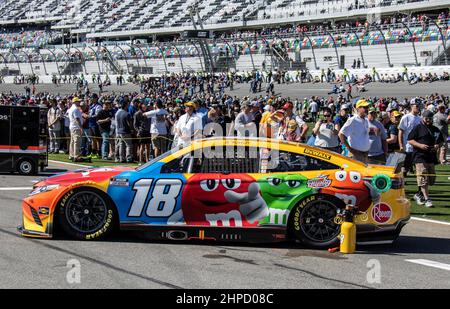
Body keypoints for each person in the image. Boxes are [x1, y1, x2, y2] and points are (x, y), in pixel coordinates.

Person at [408, 110, 444, 208]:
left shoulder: (435, 129)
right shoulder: (417, 128)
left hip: (431, 157)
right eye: (426, 118)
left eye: (430, 119)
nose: (428, 120)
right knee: (423, 177)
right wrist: (420, 145)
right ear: (423, 118)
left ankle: (419, 194)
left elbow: (441, 141)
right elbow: (410, 140)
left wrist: (437, 145)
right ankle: (427, 199)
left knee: (431, 180)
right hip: (420, 156)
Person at [338, 99, 371, 163]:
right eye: (364, 107)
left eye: (367, 107)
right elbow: (341, 134)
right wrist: (351, 150)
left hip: (365, 155)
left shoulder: (366, 120)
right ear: (358, 108)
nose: (367, 109)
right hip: (356, 155)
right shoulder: (353, 120)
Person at [398, 101, 422, 175]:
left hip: (417, 146)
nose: (418, 108)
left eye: (419, 106)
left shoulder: (420, 118)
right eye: (416, 106)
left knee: (418, 166)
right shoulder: (406, 117)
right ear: (412, 107)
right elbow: (400, 132)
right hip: (407, 146)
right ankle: (402, 181)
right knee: (405, 166)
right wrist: (401, 145)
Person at [115, 99, 134, 163]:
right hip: (125, 131)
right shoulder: (127, 114)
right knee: (128, 145)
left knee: (121, 145)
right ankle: (128, 158)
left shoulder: (118, 113)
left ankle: (121, 158)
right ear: (126, 106)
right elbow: (129, 124)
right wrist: (132, 130)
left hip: (119, 131)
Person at [68, 97, 83, 162]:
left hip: (72, 126)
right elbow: (77, 119)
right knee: (77, 141)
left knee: (72, 142)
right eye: (78, 101)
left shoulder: (71, 108)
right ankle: (76, 156)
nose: (79, 102)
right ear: (75, 102)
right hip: (76, 127)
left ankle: (71, 155)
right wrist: (81, 127)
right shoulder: (75, 109)